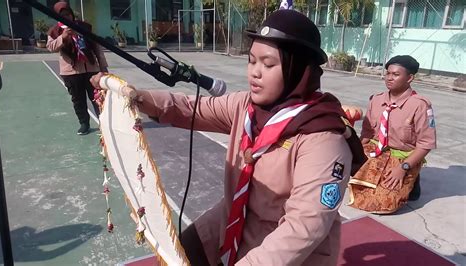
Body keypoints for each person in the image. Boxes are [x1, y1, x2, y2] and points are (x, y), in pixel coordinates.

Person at [92, 10, 365, 265]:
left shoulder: (324, 138)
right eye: (252, 60)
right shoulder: (245, 106)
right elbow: (191, 108)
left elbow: (305, 227)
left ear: (299, 70)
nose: (254, 72)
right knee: (182, 252)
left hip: (287, 249)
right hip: (236, 216)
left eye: (268, 64)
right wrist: (138, 98)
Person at [348, 55, 436, 214]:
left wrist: (403, 168)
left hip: (402, 157)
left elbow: (426, 144)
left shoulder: (420, 105)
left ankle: (412, 179)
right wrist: (354, 153)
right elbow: (368, 133)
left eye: (396, 75)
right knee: (356, 186)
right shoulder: (376, 100)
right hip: (378, 150)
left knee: (385, 204)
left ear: (410, 78)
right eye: (388, 73)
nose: (389, 78)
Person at [47, 1, 108, 135]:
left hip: (91, 70)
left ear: (71, 14)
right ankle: (84, 124)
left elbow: (97, 47)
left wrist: (103, 68)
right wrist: (63, 37)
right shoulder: (55, 31)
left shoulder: (84, 27)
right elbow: (50, 47)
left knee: (97, 97)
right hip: (71, 72)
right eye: (62, 15)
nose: (66, 17)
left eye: (68, 14)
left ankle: (104, 122)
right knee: (78, 100)